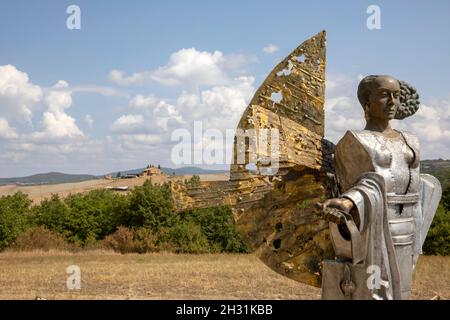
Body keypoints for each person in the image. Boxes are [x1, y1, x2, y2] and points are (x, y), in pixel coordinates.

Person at [320, 75, 441, 300]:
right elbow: (362, 185)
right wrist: (347, 202)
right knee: (375, 292)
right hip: (374, 231)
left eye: (396, 95)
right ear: (367, 101)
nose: (392, 101)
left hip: (409, 229)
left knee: (402, 290)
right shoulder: (354, 140)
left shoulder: (410, 140)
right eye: (384, 95)